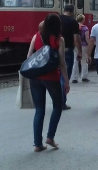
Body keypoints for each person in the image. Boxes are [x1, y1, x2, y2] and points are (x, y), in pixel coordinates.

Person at [26, 13, 70, 152]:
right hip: (52, 78)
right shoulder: (59, 39)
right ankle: (50, 137)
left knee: (39, 110)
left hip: (36, 77)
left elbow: (29, 57)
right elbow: (62, 63)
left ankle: (38, 144)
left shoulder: (36, 36)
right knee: (57, 106)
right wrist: (66, 82)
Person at [59, 4, 82, 110]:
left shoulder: (56, 18)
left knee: (56, 76)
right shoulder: (73, 22)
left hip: (54, 51)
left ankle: (57, 100)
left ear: (64, 10)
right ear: (72, 11)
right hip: (67, 51)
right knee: (64, 77)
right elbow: (76, 39)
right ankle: (62, 102)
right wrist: (80, 52)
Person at [71, 14, 90, 83]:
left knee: (75, 62)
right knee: (84, 61)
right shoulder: (85, 28)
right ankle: (84, 77)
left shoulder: (74, 27)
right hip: (84, 46)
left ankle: (74, 78)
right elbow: (87, 38)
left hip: (75, 46)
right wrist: (89, 45)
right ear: (83, 20)